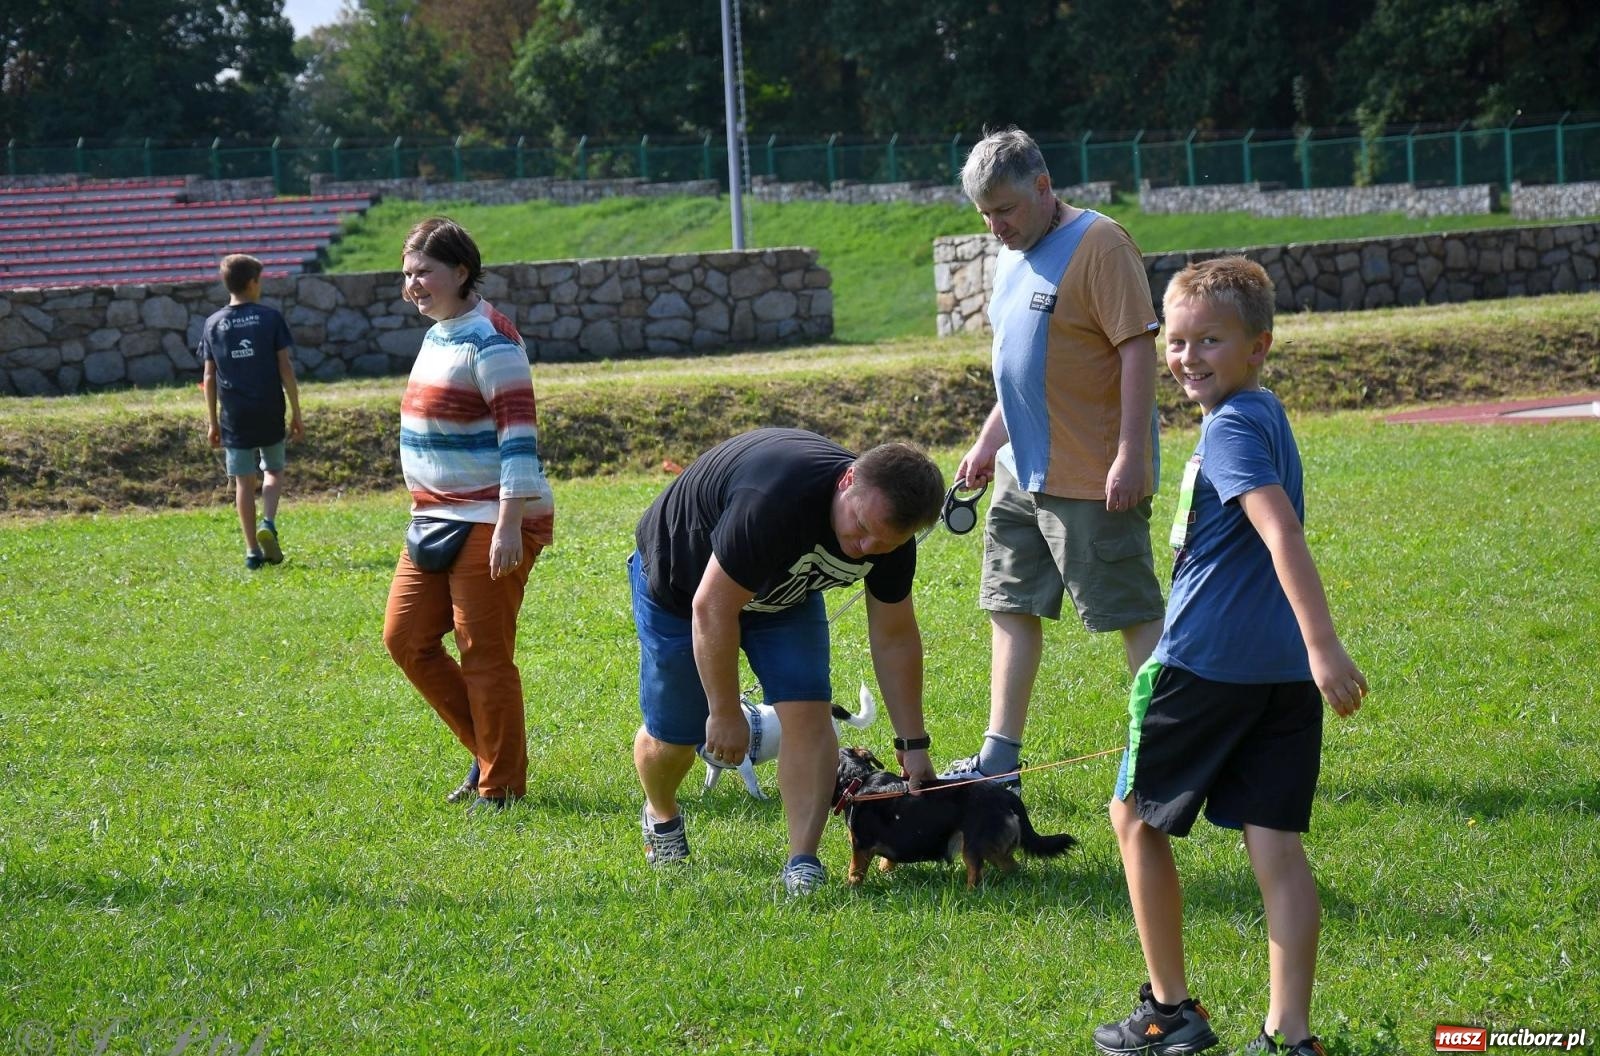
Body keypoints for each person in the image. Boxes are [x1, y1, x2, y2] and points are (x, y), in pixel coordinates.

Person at [1092, 257, 1368, 1056]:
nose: (1187, 357)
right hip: (1277, 675)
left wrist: (1326, 644)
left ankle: (1169, 1010)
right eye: (1177, 341)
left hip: (1208, 667)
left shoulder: (1233, 425)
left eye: (1209, 340)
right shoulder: (1266, 411)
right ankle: (1291, 1038)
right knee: (1273, 844)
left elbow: (1281, 531)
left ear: (1259, 346)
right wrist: (1306, 653)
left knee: (1133, 818)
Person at [629, 428, 944, 895]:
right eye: (859, 529)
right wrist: (724, 710)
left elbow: (895, 637)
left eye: (883, 544)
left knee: (809, 717)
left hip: (785, 593)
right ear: (848, 481)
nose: (864, 550)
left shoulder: (889, 538)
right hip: (684, 588)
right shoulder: (775, 499)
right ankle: (661, 812)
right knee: (678, 733)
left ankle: (803, 861)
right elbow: (711, 607)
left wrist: (913, 743)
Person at [948, 127, 1165, 786]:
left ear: (1044, 188)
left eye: (1006, 210)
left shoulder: (1101, 244)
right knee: (1009, 605)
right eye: (985, 214)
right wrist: (991, 443)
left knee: (1130, 613)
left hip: (1092, 477)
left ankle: (1167, 748)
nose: (996, 227)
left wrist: (1130, 454)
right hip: (1021, 473)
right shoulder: (1011, 255)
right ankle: (999, 760)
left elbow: (1136, 348)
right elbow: (1024, 365)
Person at [381, 217, 555, 813]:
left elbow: (519, 439)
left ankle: (501, 786)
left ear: (460, 271)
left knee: (482, 651)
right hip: (434, 518)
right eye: (407, 275)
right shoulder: (440, 333)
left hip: (492, 518)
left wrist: (509, 523)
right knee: (405, 639)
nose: (414, 285)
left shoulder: (492, 340)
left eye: (423, 272)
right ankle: (490, 753)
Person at [199, 254, 304, 570]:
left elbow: (208, 377)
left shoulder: (212, 323)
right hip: (269, 408)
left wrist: (212, 422)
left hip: (235, 415)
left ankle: (251, 551)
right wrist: (297, 412)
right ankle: (268, 522)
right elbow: (284, 367)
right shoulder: (269, 317)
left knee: (243, 483)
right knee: (273, 469)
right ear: (252, 283)